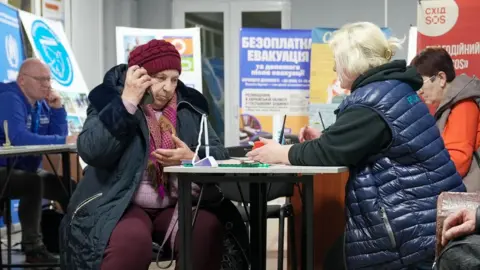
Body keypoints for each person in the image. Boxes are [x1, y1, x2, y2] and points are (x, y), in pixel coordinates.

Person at [246, 22, 466, 269]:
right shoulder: (392, 89)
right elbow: (362, 142)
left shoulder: (372, 101)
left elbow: (328, 152)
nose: (333, 67)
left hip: (410, 233)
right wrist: (325, 138)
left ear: (352, 60)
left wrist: (279, 152)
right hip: (423, 220)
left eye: (337, 60)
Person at [59, 39, 249, 270]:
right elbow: (92, 151)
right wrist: (127, 103)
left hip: (177, 202)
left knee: (205, 229)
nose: (168, 87)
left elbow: (218, 153)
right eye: (160, 78)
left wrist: (192, 158)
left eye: (174, 79)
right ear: (139, 75)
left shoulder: (190, 105)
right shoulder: (109, 99)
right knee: (132, 242)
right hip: (118, 202)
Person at [0, 58, 77, 263]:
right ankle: (33, 249)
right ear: (22, 80)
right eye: (41, 80)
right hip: (3, 169)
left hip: (26, 169)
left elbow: (56, 141)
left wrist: (58, 110)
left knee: (67, 187)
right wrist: (63, 139)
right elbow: (19, 139)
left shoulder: (41, 104)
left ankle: (81, 242)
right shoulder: (9, 98)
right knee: (32, 183)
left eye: (49, 80)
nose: (47, 85)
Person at [411, 48, 480, 191]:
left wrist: (422, 180)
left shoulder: (463, 105)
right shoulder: (449, 108)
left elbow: (458, 160)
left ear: (441, 78)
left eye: (421, 82)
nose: (419, 91)